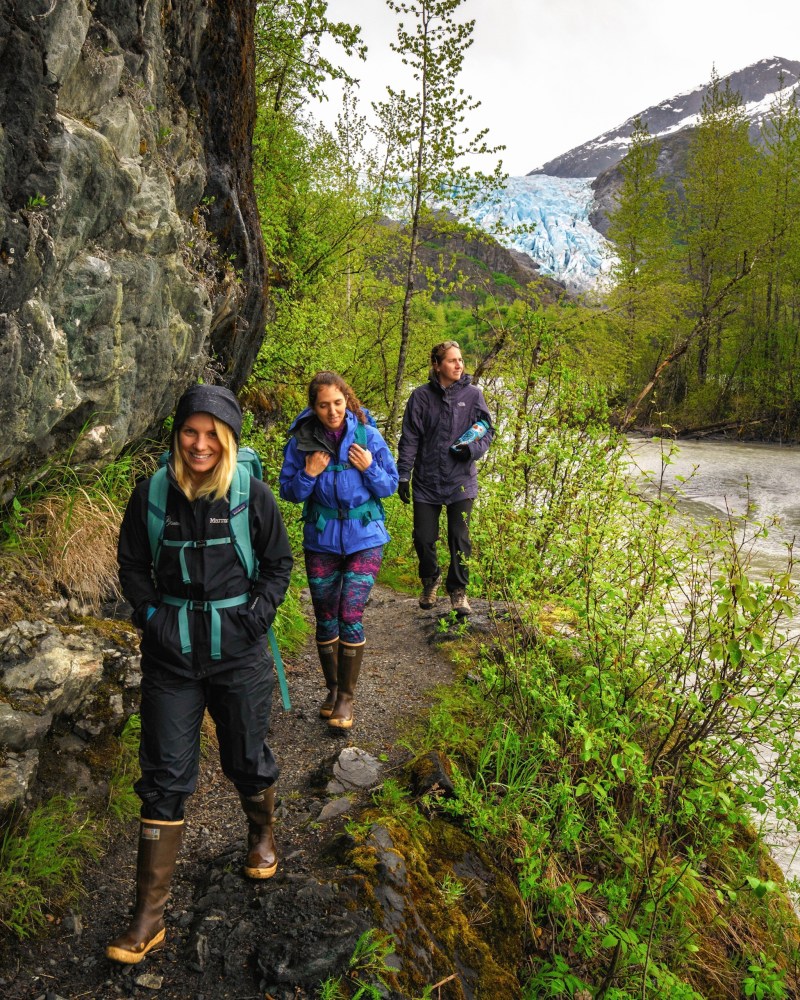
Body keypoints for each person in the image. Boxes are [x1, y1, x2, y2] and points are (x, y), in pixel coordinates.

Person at [107, 385, 293, 965]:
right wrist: (152, 618)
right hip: (172, 658)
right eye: (191, 431)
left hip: (238, 655)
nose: (200, 443)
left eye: (213, 434)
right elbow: (133, 566)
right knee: (163, 774)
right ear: (177, 434)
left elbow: (278, 564)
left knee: (244, 755)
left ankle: (260, 833)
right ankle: (148, 917)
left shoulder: (253, 497)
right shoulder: (151, 497)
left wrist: (255, 617)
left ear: (230, 439)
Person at [279, 372, 398, 729]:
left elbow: (390, 485)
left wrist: (369, 467)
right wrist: (309, 474)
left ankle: (347, 698)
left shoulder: (368, 436)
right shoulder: (301, 443)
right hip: (321, 539)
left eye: (338, 403)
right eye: (324, 405)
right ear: (313, 407)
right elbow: (289, 492)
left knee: (350, 614)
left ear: (346, 400)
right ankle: (332, 691)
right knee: (325, 617)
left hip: (365, 537)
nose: (332, 411)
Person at [397, 340, 493, 614]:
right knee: (423, 538)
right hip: (426, 481)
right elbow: (410, 438)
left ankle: (458, 591)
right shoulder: (420, 397)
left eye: (460, 360)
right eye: (452, 360)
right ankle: (431, 579)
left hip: (460, 480)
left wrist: (472, 450)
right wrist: (404, 474)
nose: (459, 365)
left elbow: (487, 430)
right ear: (437, 365)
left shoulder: (474, 395)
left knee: (459, 537)